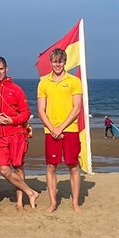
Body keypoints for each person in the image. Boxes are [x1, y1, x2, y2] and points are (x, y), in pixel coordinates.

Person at [0, 56, 39, 211]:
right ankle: (30, 192)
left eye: (1, 69)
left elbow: (26, 113)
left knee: (18, 167)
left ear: (7, 69)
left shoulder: (16, 89)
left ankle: (20, 202)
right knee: (4, 169)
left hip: (17, 133)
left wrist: (11, 121)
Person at [37, 48, 83, 214]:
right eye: (55, 61)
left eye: (60, 61)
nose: (57, 64)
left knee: (73, 165)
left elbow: (77, 108)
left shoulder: (74, 81)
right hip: (51, 131)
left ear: (65, 62)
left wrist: (61, 127)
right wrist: (52, 128)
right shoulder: (44, 83)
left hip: (69, 129)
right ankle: (52, 203)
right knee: (51, 166)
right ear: (51, 63)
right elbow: (41, 110)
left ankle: (75, 203)